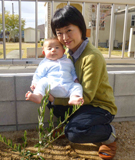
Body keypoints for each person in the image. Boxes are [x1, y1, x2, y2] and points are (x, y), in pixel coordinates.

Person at [48, 5, 117, 160]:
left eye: (68, 30)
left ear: (81, 29)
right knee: (51, 99)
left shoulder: (92, 57)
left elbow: (86, 96)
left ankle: (109, 134)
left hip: (99, 106)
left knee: (75, 132)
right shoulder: (67, 53)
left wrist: (57, 98)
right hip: (81, 103)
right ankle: (68, 125)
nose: (64, 37)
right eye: (59, 33)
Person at [25, 37, 84, 106]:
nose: (53, 50)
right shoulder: (45, 63)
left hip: (67, 87)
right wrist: (35, 83)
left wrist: (75, 79)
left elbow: (73, 72)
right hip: (51, 88)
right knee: (43, 81)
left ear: (63, 51)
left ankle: (74, 98)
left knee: (77, 86)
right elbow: (38, 74)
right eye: (49, 48)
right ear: (44, 52)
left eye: (57, 47)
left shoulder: (68, 61)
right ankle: (38, 96)